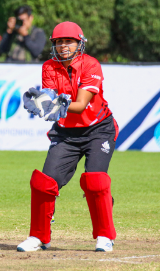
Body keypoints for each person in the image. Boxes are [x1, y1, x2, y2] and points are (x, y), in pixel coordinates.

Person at [17, 21, 119, 252]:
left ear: (79, 43)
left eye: (68, 41)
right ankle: (39, 236)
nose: (63, 45)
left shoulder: (91, 64)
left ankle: (105, 236)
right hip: (65, 133)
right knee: (43, 184)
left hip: (98, 129)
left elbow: (81, 104)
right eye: (59, 41)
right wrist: (46, 106)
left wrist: (52, 103)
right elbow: (53, 105)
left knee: (95, 181)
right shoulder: (49, 67)